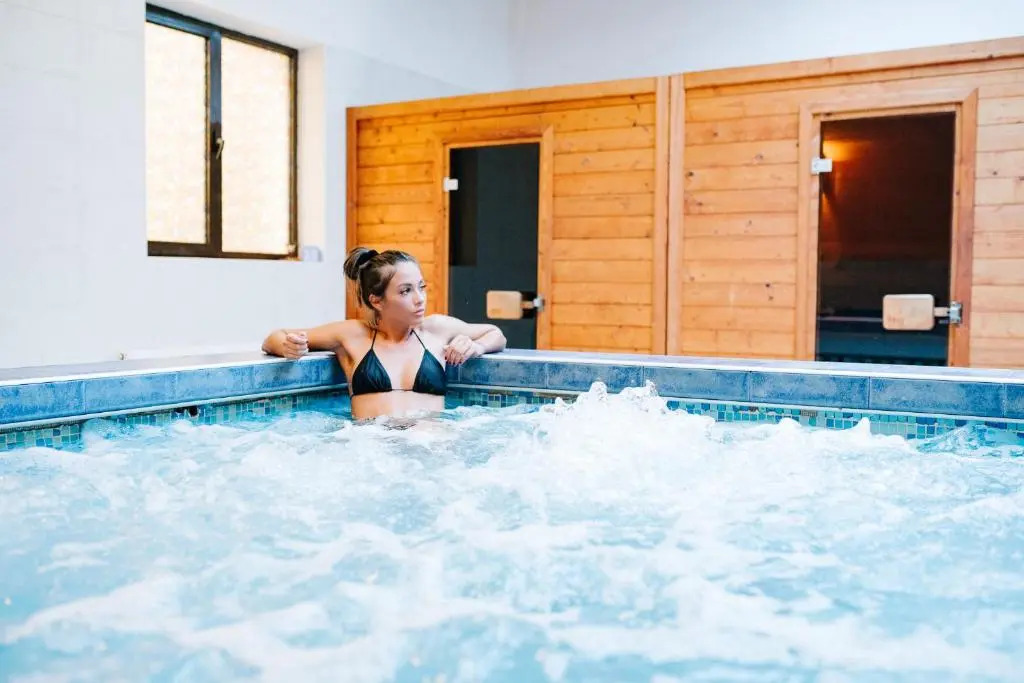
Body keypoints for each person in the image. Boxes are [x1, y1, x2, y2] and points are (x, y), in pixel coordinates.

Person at [261, 247, 507, 421]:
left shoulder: (436, 329)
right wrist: (288, 346)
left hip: (430, 449)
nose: (420, 299)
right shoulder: (353, 335)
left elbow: (495, 334)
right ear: (377, 301)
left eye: (421, 287)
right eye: (405, 291)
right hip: (374, 451)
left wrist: (476, 347)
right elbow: (273, 338)